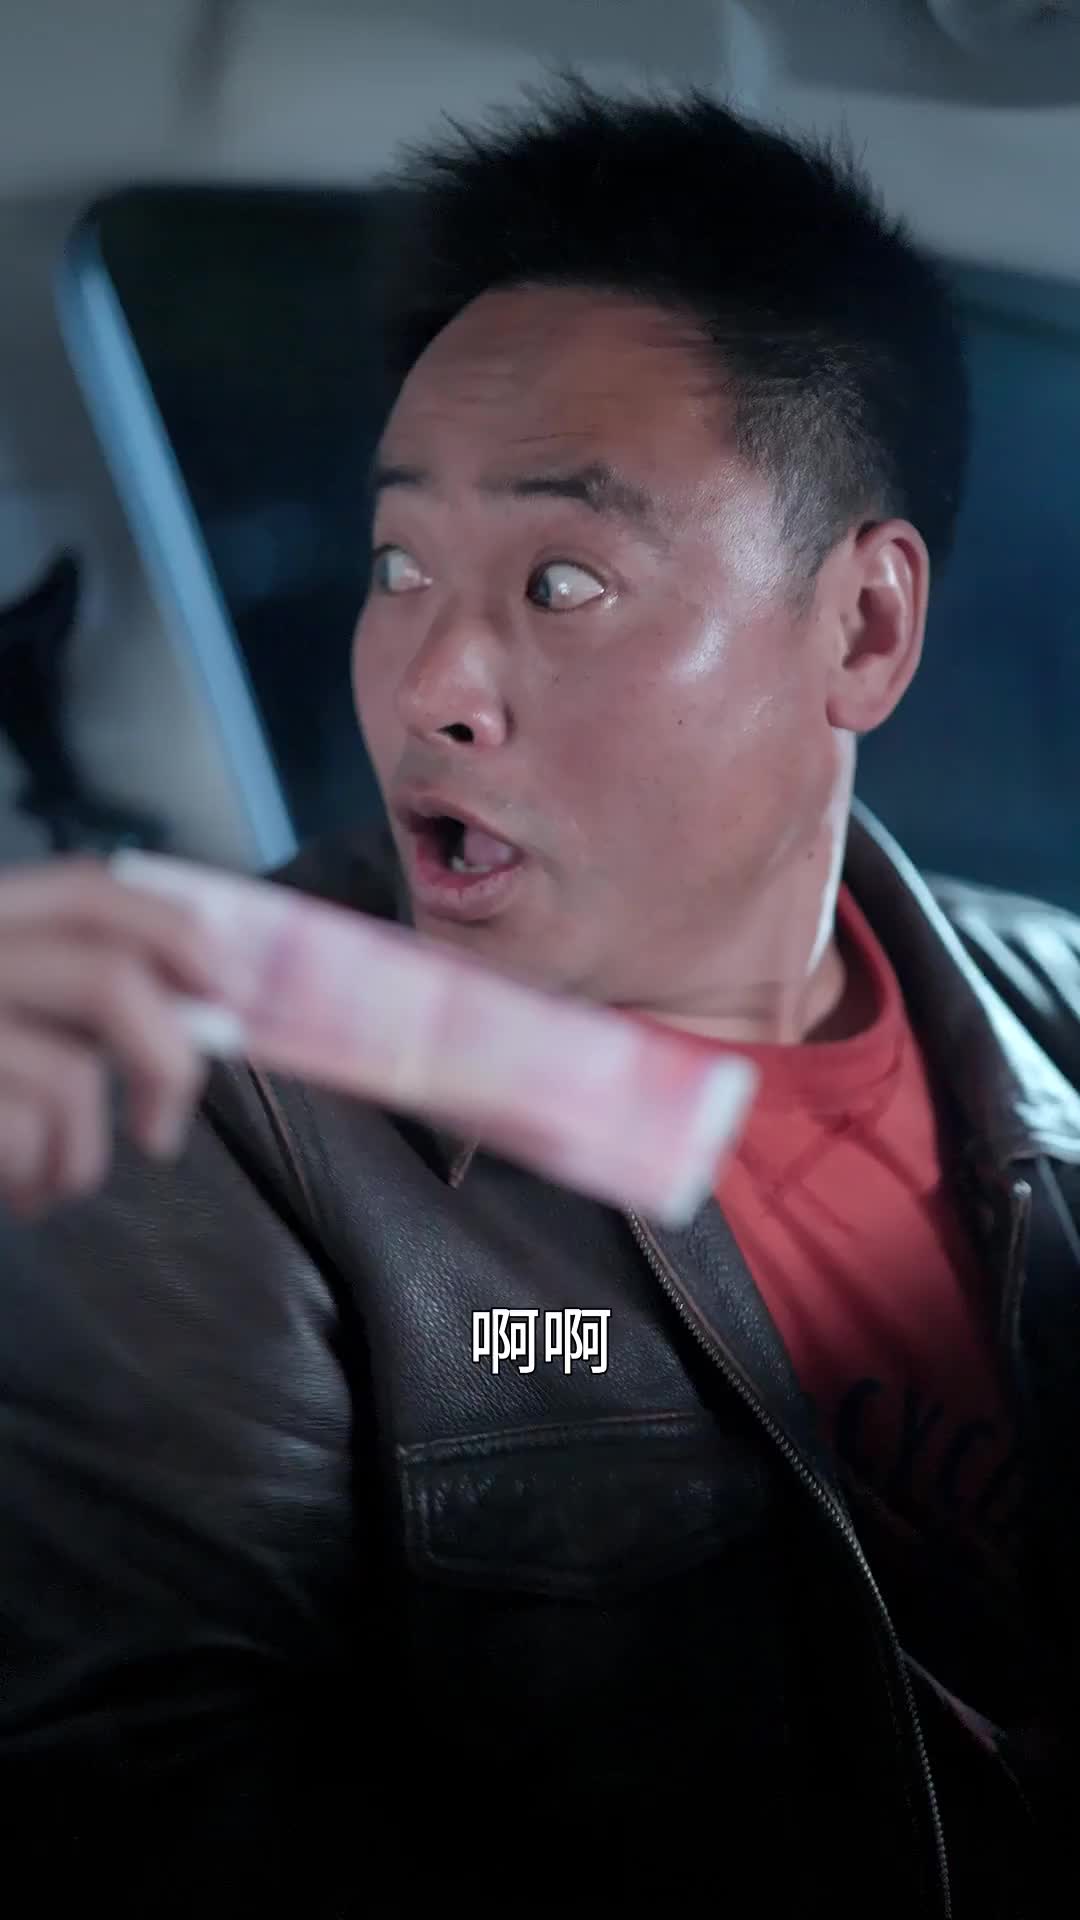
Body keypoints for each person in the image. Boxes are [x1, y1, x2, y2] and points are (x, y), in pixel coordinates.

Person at [0, 79, 1076, 1918]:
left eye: (562, 581)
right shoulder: (199, 1098)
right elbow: (136, 1803)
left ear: (866, 629)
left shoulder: (1054, 1008)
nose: (432, 682)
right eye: (399, 564)